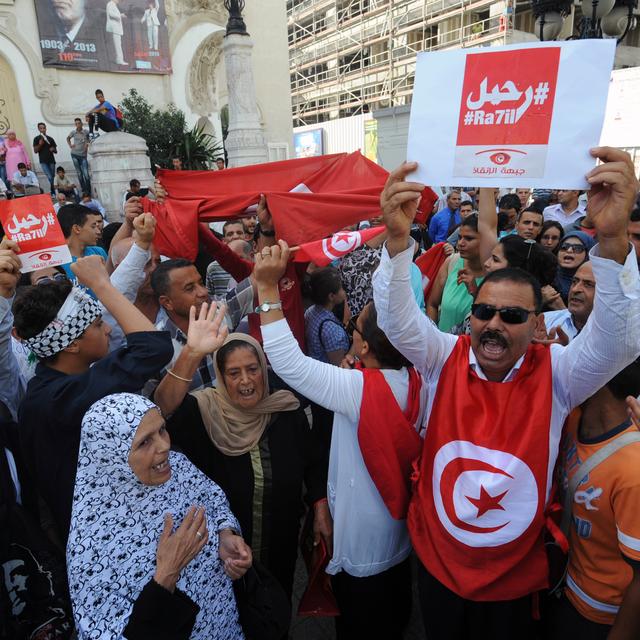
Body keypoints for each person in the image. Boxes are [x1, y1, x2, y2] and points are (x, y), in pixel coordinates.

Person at [372, 149, 640, 640]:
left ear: (537, 324)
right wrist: (396, 241)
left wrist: (614, 240)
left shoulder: (558, 372)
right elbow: (395, 320)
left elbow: (620, 341)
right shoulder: (442, 356)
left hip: (514, 586)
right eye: (483, 312)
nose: (493, 325)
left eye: (512, 316)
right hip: (440, 570)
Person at [252, 246, 428, 639]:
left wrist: (266, 288)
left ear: (363, 347)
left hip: (360, 547)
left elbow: (285, 360)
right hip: (398, 535)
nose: (350, 327)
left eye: (357, 328)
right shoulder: (421, 382)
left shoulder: (358, 389)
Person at [154, 325, 327, 603]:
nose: (246, 380)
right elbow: (163, 407)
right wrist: (192, 353)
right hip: (224, 552)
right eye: (233, 373)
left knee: (277, 605)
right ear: (220, 377)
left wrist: (319, 503)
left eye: (253, 369)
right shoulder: (203, 413)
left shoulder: (285, 410)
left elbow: (313, 460)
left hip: (281, 541)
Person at [14, 255, 174, 542]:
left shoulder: (51, 390)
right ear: (72, 344)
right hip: (109, 543)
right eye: (98, 324)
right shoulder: (61, 399)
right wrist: (101, 285)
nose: (110, 329)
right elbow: (153, 348)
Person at [67, 393, 251, 639]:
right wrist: (167, 573)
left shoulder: (178, 467)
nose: (164, 446)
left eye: (162, 430)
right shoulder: (88, 546)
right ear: (110, 457)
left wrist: (226, 534)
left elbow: (214, 500)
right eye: (144, 442)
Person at [549, 359, 640, 640]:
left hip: (599, 617)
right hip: (561, 586)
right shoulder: (573, 419)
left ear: (597, 379)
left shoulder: (633, 471)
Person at [152, 258, 254, 391]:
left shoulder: (220, 312)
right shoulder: (156, 347)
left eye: (201, 283)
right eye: (190, 289)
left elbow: (260, 280)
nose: (203, 292)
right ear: (167, 302)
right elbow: (160, 405)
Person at [427, 214, 484, 333]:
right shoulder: (451, 262)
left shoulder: (496, 274)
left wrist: (475, 292)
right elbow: (432, 304)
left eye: (469, 238)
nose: (460, 243)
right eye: (459, 237)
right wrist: (435, 336)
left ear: (486, 241)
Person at [304, 267, 350, 365]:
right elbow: (339, 366)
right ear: (331, 296)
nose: (344, 292)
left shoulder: (310, 311)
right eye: (341, 288)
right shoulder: (332, 331)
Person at [543, 261, 595, 343]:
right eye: (574, 281)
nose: (575, 289)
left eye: (588, 284)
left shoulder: (617, 337)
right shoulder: (545, 322)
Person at [57, 204, 107, 282]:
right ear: (77, 228)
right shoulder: (57, 263)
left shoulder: (99, 252)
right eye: (93, 227)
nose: (98, 231)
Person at [554, 231, 596, 305]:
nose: (569, 250)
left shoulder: (595, 284)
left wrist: (560, 308)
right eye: (564, 247)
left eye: (577, 248)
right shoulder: (545, 277)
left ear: (588, 253)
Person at [66, 118, 91, 194]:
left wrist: (87, 144)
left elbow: (90, 138)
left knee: (86, 174)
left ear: (82, 124)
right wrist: (70, 145)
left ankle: (88, 191)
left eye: (79, 123)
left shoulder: (86, 132)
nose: (78, 125)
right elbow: (68, 138)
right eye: (76, 123)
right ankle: (83, 190)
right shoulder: (73, 132)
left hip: (83, 156)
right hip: (74, 155)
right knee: (79, 173)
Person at [32, 123, 57, 196]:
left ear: (46, 129)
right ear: (38, 129)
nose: (42, 129)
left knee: (52, 177)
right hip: (43, 161)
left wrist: (53, 149)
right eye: (41, 128)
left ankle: (53, 191)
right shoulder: (36, 139)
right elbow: (35, 151)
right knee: (50, 177)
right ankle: (53, 192)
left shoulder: (50, 138)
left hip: (51, 160)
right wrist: (40, 144)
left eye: (44, 128)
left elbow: (56, 151)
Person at [106, 0, 128, 66]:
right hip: (115, 27)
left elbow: (114, 14)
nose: (119, 1)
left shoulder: (113, 4)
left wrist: (121, 15)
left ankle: (119, 59)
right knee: (118, 45)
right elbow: (111, 14)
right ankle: (119, 60)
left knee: (118, 44)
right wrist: (120, 15)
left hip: (116, 28)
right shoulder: (110, 4)